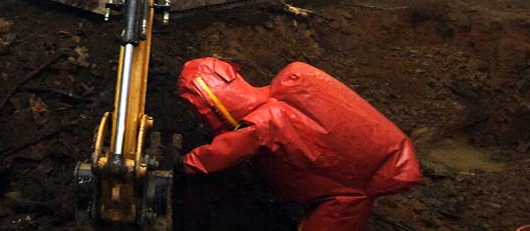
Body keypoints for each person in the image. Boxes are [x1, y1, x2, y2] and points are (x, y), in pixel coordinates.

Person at [177, 57, 422, 231]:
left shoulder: (263, 124)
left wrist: (185, 163)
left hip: (344, 197)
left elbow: (220, 153)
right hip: (362, 176)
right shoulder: (292, 86)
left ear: (212, 103)